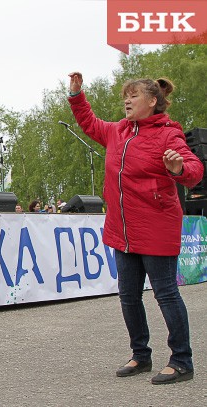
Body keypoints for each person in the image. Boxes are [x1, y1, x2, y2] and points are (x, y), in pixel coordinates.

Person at [68, 72, 203, 384]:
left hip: (156, 227)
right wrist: (77, 95)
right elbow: (89, 122)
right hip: (122, 230)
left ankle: (182, 360)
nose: (126, 101)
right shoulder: (118, 132)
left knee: (166, 295)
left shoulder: (169, 135)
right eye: (125, 96)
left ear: (152, 101)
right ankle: (140, 355)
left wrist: (178, 168)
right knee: (128, 296)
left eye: (134, 96)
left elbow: (195, 171)